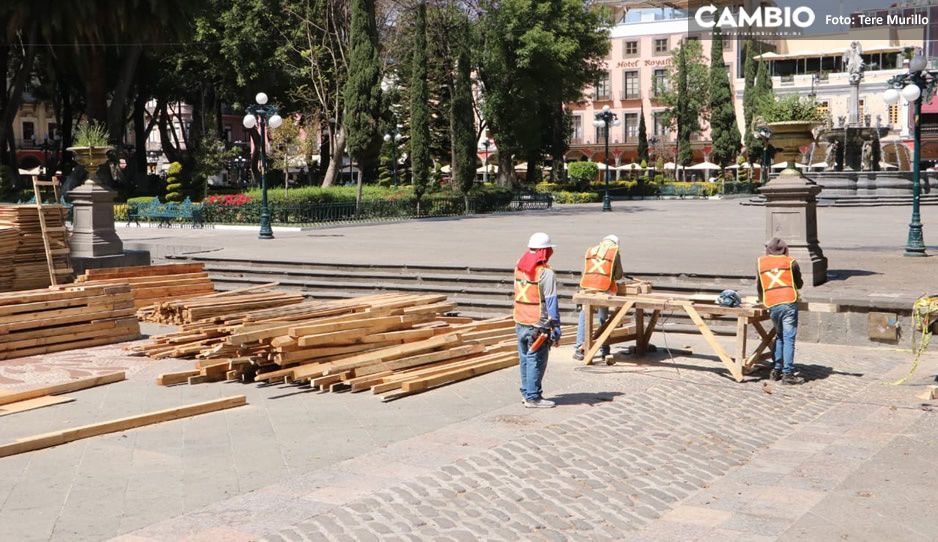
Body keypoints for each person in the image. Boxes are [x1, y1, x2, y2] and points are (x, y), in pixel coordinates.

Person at [513, 232, 561, 408]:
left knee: (525, 358)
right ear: (545, 251)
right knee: (537, 359)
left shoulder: (519, 266)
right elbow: (551, 301)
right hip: (538, 323)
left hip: (521, 318)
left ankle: (527, 393)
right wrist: (556, 327)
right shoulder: (546, 273)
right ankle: (533, 397)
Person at [757, 238, 805, 385]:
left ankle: (776, 369)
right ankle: (788, 373)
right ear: (784, 250)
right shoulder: (791, 262)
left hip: (772, 303)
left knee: (779, 336)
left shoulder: (761, 262)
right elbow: (799, 283)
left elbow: (760, 286)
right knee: (789, 338)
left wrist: (762, 300)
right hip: (788, 302)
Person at [574, 234, 623, 362]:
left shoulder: (591, 250)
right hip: (604, 289)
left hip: (588, 287)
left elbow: (586, 270)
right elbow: (618, 275)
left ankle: (579, 348)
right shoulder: (614, 252)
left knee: (584, 316)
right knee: (603, 318)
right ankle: (604, 350)